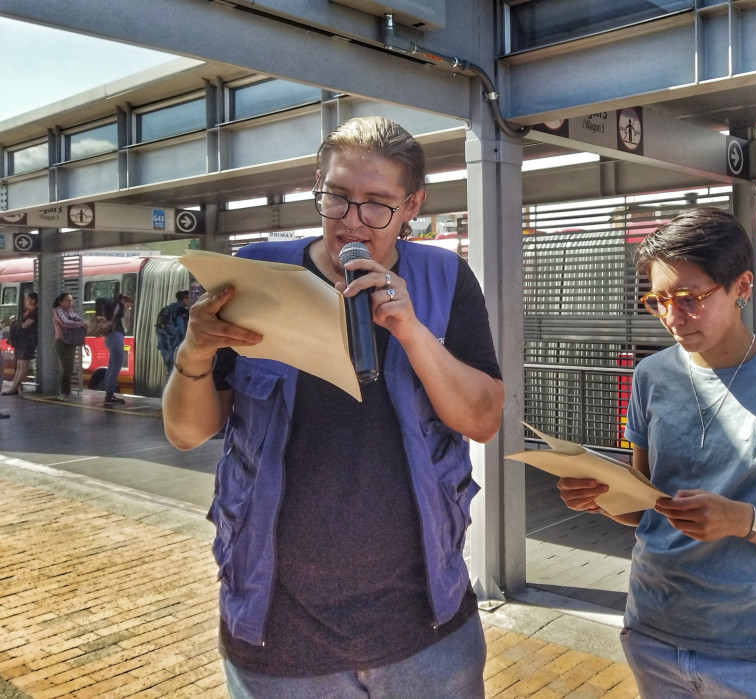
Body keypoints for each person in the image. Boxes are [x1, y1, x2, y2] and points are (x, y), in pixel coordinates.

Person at [162, 116, 504, 698]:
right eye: (338, 197)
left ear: (412, 205)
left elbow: (483, 419)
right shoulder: (257, 272)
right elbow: (187, 432)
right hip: (278, 633)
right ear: (316, 183)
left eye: (377, 205)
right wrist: (194, 352)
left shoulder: (445, 277)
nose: (351, 220)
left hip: (426, 626)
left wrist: (413, 332)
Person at [557, 208, 756, 698]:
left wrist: (743, 521)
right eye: (658, 300)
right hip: (652, 629)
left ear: (742, 286)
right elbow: (648, 507)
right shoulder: (652, 375)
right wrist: (601, 494)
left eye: (690, 298)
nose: (672, 317)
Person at [52, 293, 88, 400]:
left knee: (70, 367)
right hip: (62, 342)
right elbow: (65, 322)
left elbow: (80, 320)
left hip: (71, 342)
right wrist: (81, 324)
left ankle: (67, 391)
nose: (70, 303)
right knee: (66, 367)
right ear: (60, 302)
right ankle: (64, 392)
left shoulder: (71, 312)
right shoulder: (58, 310)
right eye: (67, 301)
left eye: (71, 301)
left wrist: (82, 323)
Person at [4, 292, 39, 396]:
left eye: (27, 299)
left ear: (33, 300)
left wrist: (14, 324)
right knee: (19, 364)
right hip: (21, 341)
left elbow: (24, 325)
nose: (25, 301)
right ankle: (14, 386)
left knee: (23, 365)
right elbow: (22, 324)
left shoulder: (35, 312)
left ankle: (14, 388)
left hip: (28, 341)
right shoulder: (27, 311)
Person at [102, 293, 132, 405]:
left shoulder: (116, 309)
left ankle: (109, 394)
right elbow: (100, 299)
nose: (128, 309)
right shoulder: (117, 306)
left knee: (111, 367)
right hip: (115, 338)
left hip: (111, 338)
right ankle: (110, 396)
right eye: (128, 306)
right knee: (115, 368)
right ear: (123, 301)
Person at [156, 290, 191, 378]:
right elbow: (183, 330)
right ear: (184, 299)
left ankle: (169, 388)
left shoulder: (167, 308)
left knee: (170, 370)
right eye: (189, 298)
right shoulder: (181, 311)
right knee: (177, 372)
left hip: (164, 346)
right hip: (176, 346)